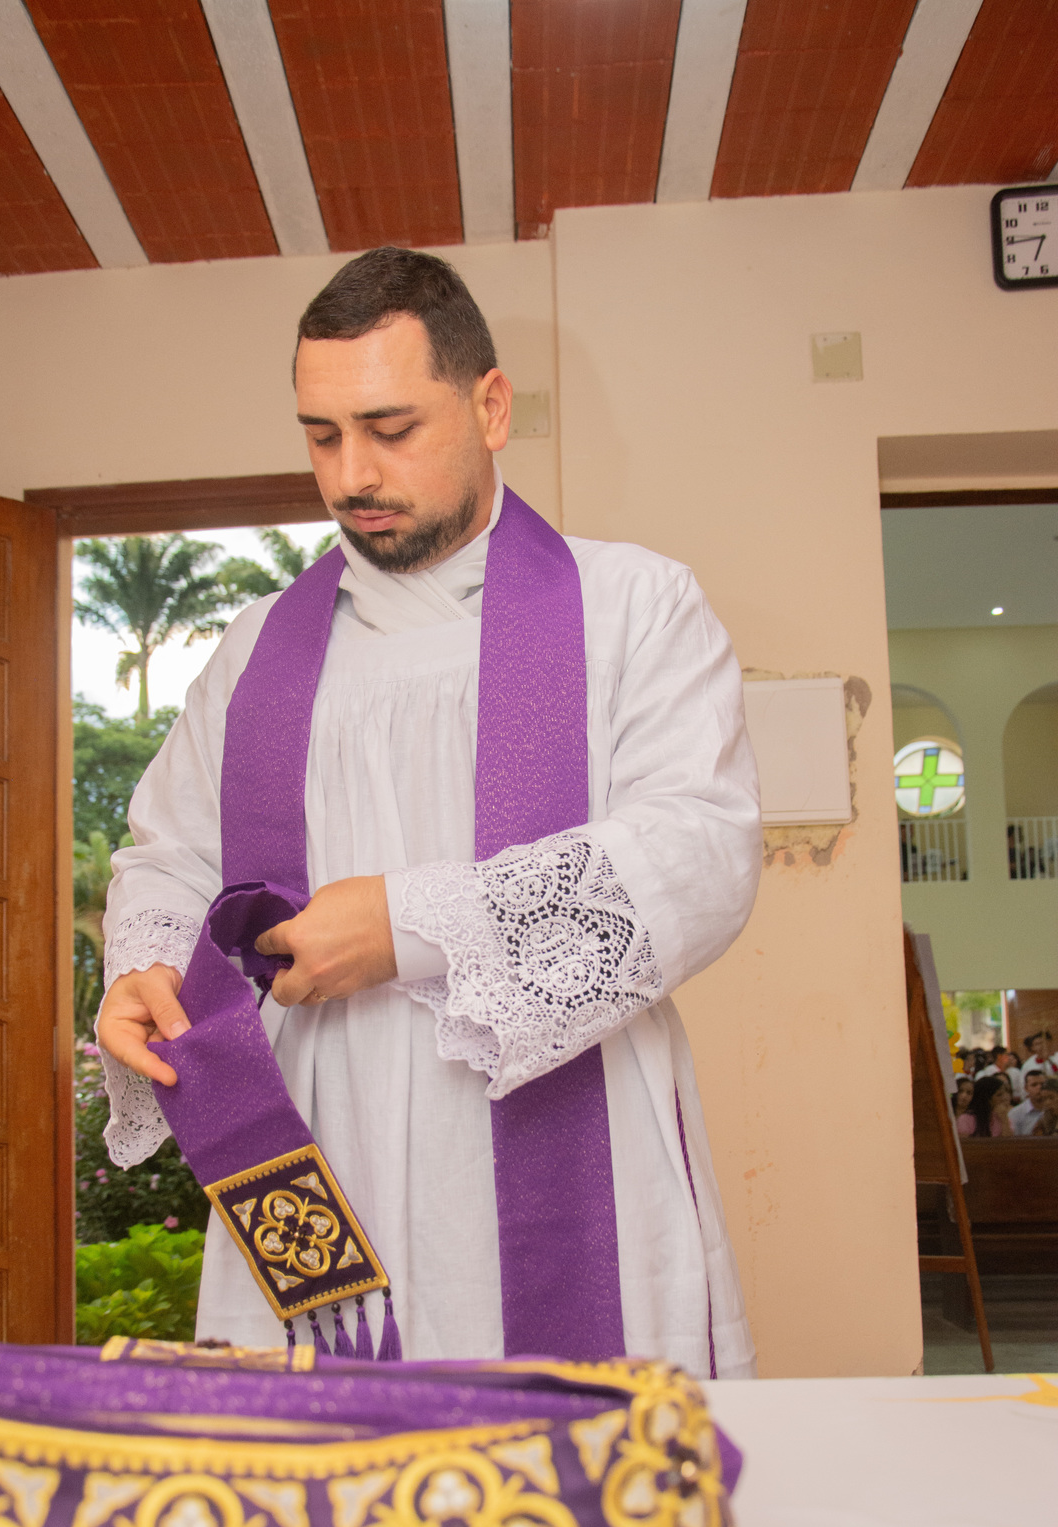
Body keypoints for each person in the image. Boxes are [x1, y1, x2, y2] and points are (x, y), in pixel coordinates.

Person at [95, 247, 762, 1378]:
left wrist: (406, 925)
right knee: (323, 1470)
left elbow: (698, 850)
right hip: (313, 1130)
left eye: (391, 428)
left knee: (577, 1471)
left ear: (490, 406)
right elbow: (172, 853)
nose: (352, 472)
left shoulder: (632, 605)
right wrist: (148, 967)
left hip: (570, 1115)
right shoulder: (256, 650)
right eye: (321, 435)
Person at [968, 1073, 1014, 1139]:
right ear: (987, 1098)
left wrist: (1004, 1120)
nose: (1004, 1098)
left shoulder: (1001, 1116)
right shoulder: (967, 1119)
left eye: (1004, 1093)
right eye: (999, 1095)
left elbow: (1008, 1142)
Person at [1010, 1069, 1051, 1137]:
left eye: (1042, 1084)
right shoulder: (1016, 1114)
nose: (1039, 1087)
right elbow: (1014, 1140)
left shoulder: (1054, 1109)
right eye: (1034, 1085)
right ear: (1026, 1088)